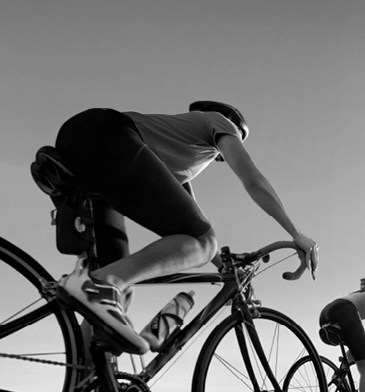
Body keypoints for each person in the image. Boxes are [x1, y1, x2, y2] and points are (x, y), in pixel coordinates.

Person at [49, 101, 317, 355]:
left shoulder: (175, 156)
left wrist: (222, 265)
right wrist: (296, 234)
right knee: (107, 284)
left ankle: (84, 387)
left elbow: (193, 227)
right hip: (109, 134)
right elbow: (253, 180)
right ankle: (99, 286)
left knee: (117, 293)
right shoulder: (220, 122)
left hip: (83, 148)